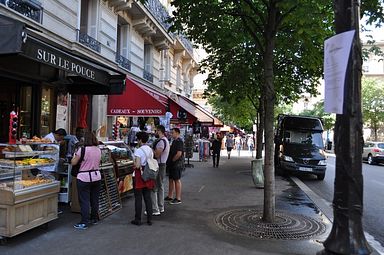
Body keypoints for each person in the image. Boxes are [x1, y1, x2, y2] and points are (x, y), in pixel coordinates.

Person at [71, 131, 101, 230]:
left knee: (84, 200)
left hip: (84, 177)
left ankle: (84, 222)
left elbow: (73, 163)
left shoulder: (82, 150)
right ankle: (94, 218)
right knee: (94, 199)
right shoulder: (98, 150)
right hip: (96, 176)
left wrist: (74, 155)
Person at [131, 132, 155, 226]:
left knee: (138, 198)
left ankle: (138, 219)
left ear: (140, 140)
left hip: (139, 176)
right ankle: (149, 218)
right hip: (148, 175)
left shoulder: (138, 150)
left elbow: (137, 165)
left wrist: (134, 162)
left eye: (138, 139)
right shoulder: (150, 149)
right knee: (147, 197)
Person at [150, 125, 170, 215]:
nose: (155, 133)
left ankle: (155, 208)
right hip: (162, 164)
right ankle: (160, 207)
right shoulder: (165, 140)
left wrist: (151, 150)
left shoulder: (161, 142)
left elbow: (157, 155)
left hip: (159, 165)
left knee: (155, 187)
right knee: (160, 186)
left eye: (156, 131)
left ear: (159, 131)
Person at [165, 128, 184, 205]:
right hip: (172, 164)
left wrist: (173, 160)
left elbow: (179, 153)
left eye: (172, 132)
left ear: (177, 133)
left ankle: (178, 198)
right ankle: (170, 196)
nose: (171, 134)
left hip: (176, 164)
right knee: (171, 179)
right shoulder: (175, 141)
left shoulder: (179, 142)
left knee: (176, 180)